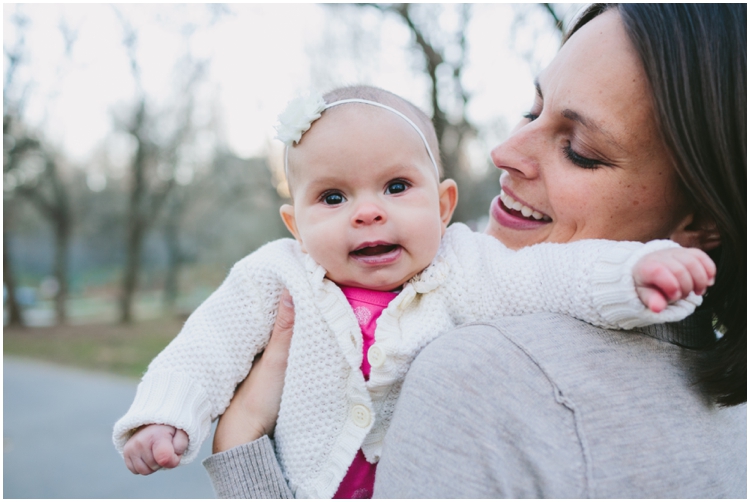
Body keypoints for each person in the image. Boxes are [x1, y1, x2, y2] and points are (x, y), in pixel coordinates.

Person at [202, 3, 746, 499]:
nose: (505, 151)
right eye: (532, 111)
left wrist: (240, 446)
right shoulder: (730, 406)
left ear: (700, 219)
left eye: (579, 151)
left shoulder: (480, 373)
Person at [111, 82, 711, 499]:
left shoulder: (465, 265)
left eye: (396, 186)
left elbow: (548, 277)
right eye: (333, 198)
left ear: (444, 204)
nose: (368, 213)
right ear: (294, 225)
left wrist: (634, 274)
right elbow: (207, 348)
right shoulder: (277, 274)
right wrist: (165, 419)